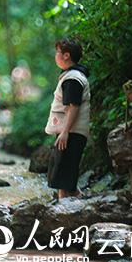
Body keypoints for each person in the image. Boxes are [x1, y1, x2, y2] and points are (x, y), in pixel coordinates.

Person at [45, 38, 90, 198]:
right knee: (66, 178)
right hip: (71, 132)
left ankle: (65, 216)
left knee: (63, 179)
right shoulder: (71, 76)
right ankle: (83, 206)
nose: (56, 56)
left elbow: (74, 107)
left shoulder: (73, 78)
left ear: (66, 55)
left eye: (58, 53)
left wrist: (65, 132)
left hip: (71, 133)